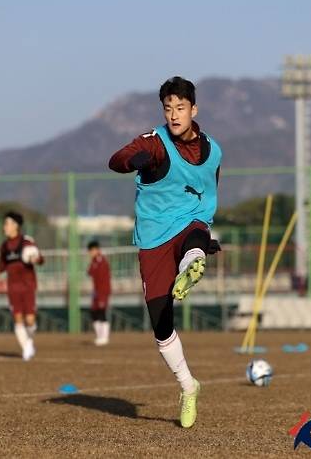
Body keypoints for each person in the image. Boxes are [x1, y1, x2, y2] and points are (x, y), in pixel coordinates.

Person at [108, 76, 222, 428]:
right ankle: (189, 387)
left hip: (190, 224)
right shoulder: (154, 143)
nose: (173, 115)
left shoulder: (214, 150)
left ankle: (194, 260)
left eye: (180, 108)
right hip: (154, 236)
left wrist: (205, 229)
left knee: (195, 234)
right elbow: (116, 159)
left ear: (193, 110)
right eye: (168, 108)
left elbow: (209, 190)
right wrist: (134, 160)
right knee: (160, 324)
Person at [0, 211, 44, 361]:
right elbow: (3, 265)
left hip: (28, 285)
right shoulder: (4, 246)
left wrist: (36, 259)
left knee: (30, 320)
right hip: (12, 287)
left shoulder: (26, 242)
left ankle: (29, 342)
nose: (4, 226)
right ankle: (26, 348)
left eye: (7, 223)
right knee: (17, 318)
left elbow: (41, 259)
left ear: (15, 226)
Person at [87, 241, 111, 346]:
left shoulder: (102, 261)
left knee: (102, 312)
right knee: (94, 312)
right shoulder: (94, 261)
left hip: (103, 290)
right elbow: (89, 272)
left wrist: (102, 292)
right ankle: (99, 336)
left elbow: (103, 277)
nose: (90, 253)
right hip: (96, 291)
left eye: (91, 251)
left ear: (96, 249)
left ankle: (104, 337)